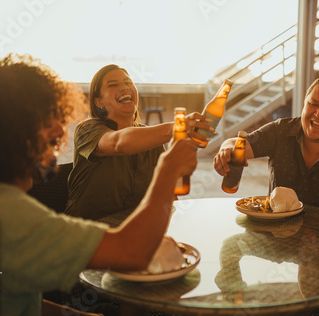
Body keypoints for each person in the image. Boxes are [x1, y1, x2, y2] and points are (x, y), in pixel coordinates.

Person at [0, 54, 198, 316]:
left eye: (127, 81)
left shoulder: (0, 207)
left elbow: (6, 294)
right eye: (45, 119)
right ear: (11, 130)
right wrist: (172, 155)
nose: (61, 130)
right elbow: (131, 250)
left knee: (166, 274)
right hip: (97, 243)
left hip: (122, 238)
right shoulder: (8, 216)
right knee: (151, 276)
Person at [65, 64, 212, 220]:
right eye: (113, 85)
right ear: (99, 102)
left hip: (135, 228)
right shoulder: (87, 129)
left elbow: (168, 195)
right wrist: (178, 127)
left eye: (128, 82)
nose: (124, 87)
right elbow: (118, 143)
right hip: (91, 230)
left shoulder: (151, 139)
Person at [213, 74, 319, 218]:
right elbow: (239, 143)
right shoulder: (280, 131)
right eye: (313, 104)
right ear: (304, 103)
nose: (318, 113)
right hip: (275, 234)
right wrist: (226, 148)